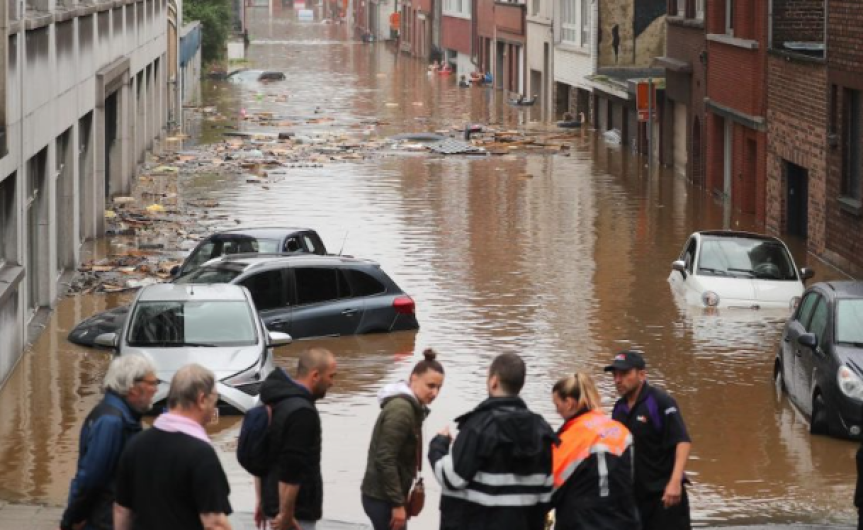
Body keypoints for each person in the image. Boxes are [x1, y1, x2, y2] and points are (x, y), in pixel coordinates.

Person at [429, 353, 556, 530]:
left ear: (493, 381)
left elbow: (452, 478)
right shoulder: (542, 430)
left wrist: (438, 446)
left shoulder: (477, 427)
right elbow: (545, 497)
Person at [114, 364, 233, 530]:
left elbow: (122, 510)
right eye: (214, 401)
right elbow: (215, 523)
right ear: (202, 400)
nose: (214, 409)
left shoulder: (135, 445)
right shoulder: (201, 454)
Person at [60, 356, 157, 530]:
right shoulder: (112, 423)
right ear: (132, 387)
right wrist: (71, 520)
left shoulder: (121, 416)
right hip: (103, 521)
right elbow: (90, 478)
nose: (155, 389)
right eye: (152, 383)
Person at [606, 351, 692, 530]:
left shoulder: (660, 402)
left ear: (642, 375)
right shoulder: (618, 409)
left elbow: (682, 441)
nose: (617, 380)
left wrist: (675, 483)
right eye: (615, 375)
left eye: (624, 374)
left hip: (665, 495)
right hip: (635, 496)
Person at [361, 349, 445, 530]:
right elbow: (385, 459)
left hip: (384, 496)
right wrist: (397, 504)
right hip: (381, 498)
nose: (435, 393)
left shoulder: (411, 408)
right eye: (430, 386)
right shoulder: (402, 411)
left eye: (439, 388)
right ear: (413, 378)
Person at [257, 348, 338, 530]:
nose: (332, 383)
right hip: (295, 514)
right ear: (315, 375)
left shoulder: (271, 399)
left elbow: (259, 456)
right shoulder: (303, 413)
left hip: (271, 504)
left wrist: (260, 500)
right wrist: (287, 515)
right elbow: (293, 469)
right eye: (331, 376)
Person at [551, 373, 639, 530]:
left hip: (581, 523)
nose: (557, 412)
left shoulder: (568, 439)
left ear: (569, 403)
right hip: (623, 522)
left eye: (557, 406)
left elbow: (550, 488)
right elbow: (632, 481)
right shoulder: (622, 432)